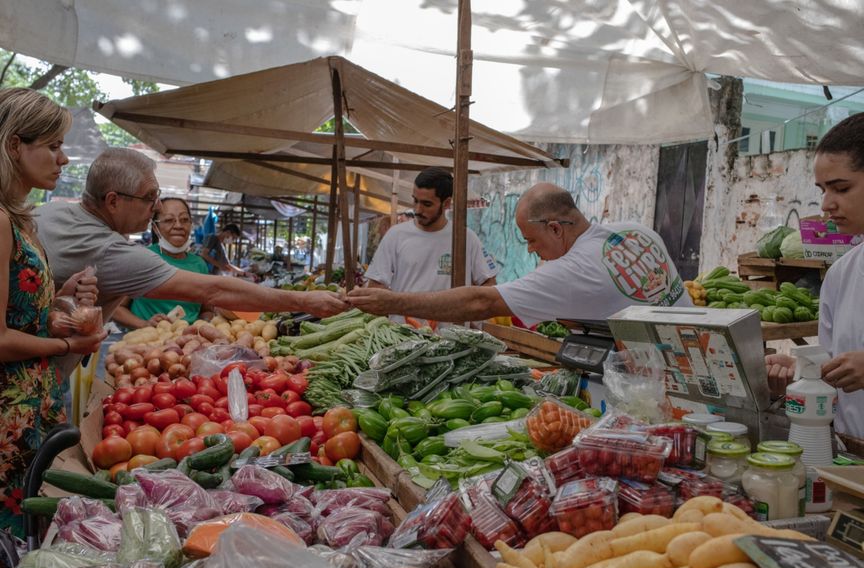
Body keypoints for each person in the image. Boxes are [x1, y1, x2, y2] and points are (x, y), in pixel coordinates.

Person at [36, 147, 348, 376]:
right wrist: (305, 301)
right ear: (114, 201)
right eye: (149, 197)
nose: (155, 206)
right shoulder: (111, 251)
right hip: (36, 377)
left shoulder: (46, 213)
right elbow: (214, 291)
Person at [349, 182, 691, 325]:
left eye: (531, 240)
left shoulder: (571, 270)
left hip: (657, 388)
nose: (530, 250)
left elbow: (480, 302)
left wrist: (392, 302)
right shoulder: (638, 230)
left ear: (555, 228)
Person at [0, 88, 106, 537]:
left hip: (30, 406)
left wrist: (62, 298)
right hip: (8, 415)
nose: (63, 159)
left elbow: (22, 311)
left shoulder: (22, 218)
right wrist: (70, 344)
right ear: (13, 146)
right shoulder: (1, 222)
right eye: (54, 146)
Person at [765, 113, 864, 440]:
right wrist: (801, 372)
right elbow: (835, 369)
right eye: (823, 190)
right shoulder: (841, 274)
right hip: (853, 456)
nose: (826, 204)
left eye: (841, 188)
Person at [364, 167, 497, 324]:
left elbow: (489, 285)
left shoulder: (466, 239)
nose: (418, 209)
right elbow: (374, 287)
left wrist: (471, 318)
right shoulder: (395, 236)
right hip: (404, 338)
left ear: (446, 203)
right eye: (415, 201)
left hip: (452, 341)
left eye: (427, 204)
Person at [112, 197, 216, 328]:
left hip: (187, 343)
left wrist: (201, 325)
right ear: (155, 228)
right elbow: (116, 309)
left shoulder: (199, 264)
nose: (178, 225)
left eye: (184, 220)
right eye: (168, 220)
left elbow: (206, 310)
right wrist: (145, 325)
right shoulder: (141, 258)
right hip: (146, 342)